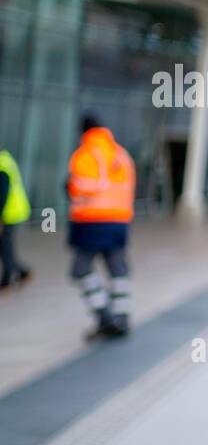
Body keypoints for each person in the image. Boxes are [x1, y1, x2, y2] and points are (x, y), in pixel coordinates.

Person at [67, 116, 135, 339]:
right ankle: (121, 317)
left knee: (81, 269)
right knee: (118, 269)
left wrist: (69, 186)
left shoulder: (86, 154)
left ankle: (105, 317)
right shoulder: (121, 154)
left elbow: (82, 188)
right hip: (120, 221)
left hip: (92, 222)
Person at [0, 146, 33, 292]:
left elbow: (2, 195)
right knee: (5, 246)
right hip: (13, 210)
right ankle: (22, 272)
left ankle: (6, 281)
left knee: (5, 246)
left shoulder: (2, 165)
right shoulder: (5, 160)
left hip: (9, 213)